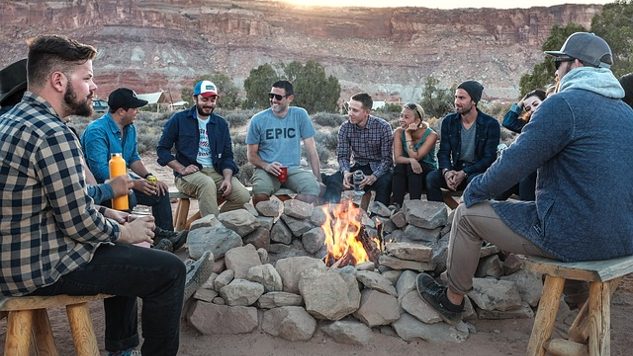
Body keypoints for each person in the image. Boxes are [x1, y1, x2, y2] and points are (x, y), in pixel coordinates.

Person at [415, 32, 633, 324]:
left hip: (572, 235)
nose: (556, 71)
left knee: (466, 215)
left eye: (560, 63)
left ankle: (451, 300)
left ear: (576, 64)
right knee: (579, 218)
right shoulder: (626, 114)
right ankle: (584, 309)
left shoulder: (562, 105)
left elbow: (514, 163)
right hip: (622, 238)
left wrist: (474, 190)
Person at [0, 34, 185, 356]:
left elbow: (54, 198)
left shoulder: (12, 120)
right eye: (87, 78)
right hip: (38, 268)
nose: (95, 87)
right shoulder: (53, 133)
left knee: (130, 258)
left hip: (15, 259)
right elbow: (80, 226)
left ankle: (121, 349)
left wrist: (108, 214)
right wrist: (125, 231)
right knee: (168, 271)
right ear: (58, 81)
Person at [81, 87, 186, 248]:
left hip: (125, 183)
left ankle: (166, 239)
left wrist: (149, 177)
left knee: (159, 191)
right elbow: (100, 172)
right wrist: (134, 183)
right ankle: (134, 244)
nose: (137, 111)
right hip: (101, 190)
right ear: (122, 111)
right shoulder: (96, 131)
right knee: (130, 195)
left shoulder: (130, 128)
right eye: (134, 108)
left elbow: (133, 159)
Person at [157, 80, 250, 217]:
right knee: (207, 184)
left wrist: (227, 178)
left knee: (242, 196)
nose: (209, 104)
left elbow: (227, 156)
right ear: (195, 98)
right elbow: (162, 149)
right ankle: (213, 230)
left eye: (212, 100)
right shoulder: (179, 119)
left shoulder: (221, 124)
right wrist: (181, 168)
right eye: (204, 99)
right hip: (187, 175)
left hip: (216, 171)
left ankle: (209, 222)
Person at [246, 80, 322, 207]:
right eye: (271, 96)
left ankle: (288, 219)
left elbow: (311, 150)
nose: (273, 100)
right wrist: (266, 166)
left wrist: (318, 179)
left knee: (312, 189)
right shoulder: (258, 120)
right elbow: (251, 155)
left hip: (292, 169)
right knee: (260, 193)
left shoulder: (300, 115)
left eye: (278, 97)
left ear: (290, 98)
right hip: (267, 170)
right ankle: (264, 224)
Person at [425, 80, 500, 204]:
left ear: (474, 101)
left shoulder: (490, 124)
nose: (456, 102)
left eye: (461, 98)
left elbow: (489, 158)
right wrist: (447, 172)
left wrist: (465, 172)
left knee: (474, 181)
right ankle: (438, 219)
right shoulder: (449, 122)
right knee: (431, 178)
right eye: (456, 97)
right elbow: (443, 152)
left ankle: (469, 220)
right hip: (456, 170)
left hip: (477, 173)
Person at [323, 93, 394, 206]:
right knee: (334, 180)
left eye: (355, 110)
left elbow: (387, 159)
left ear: (367, 112)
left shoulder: (383, 127)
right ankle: (329, 215)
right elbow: (343, 156)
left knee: (385, 184)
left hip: (379, 169)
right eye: (349, 109)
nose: (350, 113)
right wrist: (346, 172)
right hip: (357, 167)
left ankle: (377, 220)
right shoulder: (345, 128)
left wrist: (374, 176)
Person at [496, 89, 547, 201]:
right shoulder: (528, 125)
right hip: (529, 179)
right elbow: (508, 122)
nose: (532, 110)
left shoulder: (556, 123)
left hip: (543, 178)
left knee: (524, 177)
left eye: (536, 104)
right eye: (528, 109)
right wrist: (523, 101)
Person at [391, 102, 437, 207]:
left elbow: (415, 156)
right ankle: (396, 206)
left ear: (417, 120)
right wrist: (411, 161)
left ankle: (414, 207)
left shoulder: (431, 135)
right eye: (401, 116)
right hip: (406, 172)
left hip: (426, 172)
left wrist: (407, 134)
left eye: (406, 117)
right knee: (400, 166)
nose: (401, 119)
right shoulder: (398, 132)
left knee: (411, 168)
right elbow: (398, 158)